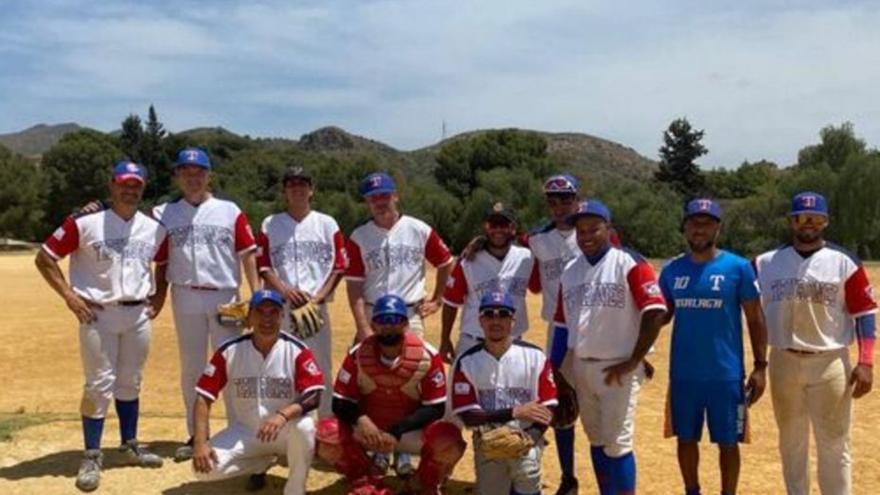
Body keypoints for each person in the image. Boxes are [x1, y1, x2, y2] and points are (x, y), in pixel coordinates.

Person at [35, 161, 167, 492]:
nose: (130, 189)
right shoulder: (86, 222)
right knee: (98, 384)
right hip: (98, 314)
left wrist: (160, 295)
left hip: (138, 313)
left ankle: (129, 443)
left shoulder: (153, 226)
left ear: (142, 188)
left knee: (130, 381)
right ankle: (92, 453)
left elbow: (164, 261)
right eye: (124, 183)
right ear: (111, 185)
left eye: (136, 184)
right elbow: (46, 256)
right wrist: (69, 296)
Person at [754, 192, 877, 495]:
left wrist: (865, 361)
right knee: (790, 443)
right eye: (801, 217)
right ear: (791, 221)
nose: (808, 224)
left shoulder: (843, 262)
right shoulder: (766, 262)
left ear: (825, 222)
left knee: (835, 443)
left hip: (830, 361)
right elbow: (745, 306)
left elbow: (865, 314)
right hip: (783, 359)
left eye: (815, 218)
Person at [150, 147, 260, 461]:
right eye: (186, 172)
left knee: (232, 363)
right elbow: (159, 260)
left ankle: (238, 430)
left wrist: (256, 295)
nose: (192, 178)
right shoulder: (164, 213)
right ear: (177, 176)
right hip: (184, 293)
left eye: (198, 172)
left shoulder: (229, 210)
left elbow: (248, 254)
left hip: (226, 295)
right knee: (192, 367)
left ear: (209, 175)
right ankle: (197, 433)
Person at [551, 199, 667, 495]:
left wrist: (634, 360)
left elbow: (655, 311)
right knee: (597, 440)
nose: (586, 236)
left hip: (618, 368)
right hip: (581, 366)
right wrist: (558, 373)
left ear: (609, 229)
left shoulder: (629, 262)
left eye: (594, 229)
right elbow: (563, 328)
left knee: (617, 443)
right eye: (581, 230)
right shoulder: (570, 272)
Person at [658, 199, 768, 495]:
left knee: (729, 442)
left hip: (726, 375)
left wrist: (760, 367)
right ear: (685, 227)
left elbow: (755, 318)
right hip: (684, 375)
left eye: (707, 223)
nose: (699, 229)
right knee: (685, 438)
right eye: (694, 222)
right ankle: (692, 490)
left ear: (718, 228)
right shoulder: (671, 271)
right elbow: (660, 316)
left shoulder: (738, 267)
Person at [315, 294, 465, 495]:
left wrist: (397, 430)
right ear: (373, 324)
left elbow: (435, 407)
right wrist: (362, 421)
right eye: (382, 320)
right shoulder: (358, 355)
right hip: (370, 431)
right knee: (326, 434)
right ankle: (363, 477)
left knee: (448, 439)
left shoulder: (426, 356)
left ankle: (423, 481)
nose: (389, 326)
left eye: (395, 320)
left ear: (405, 324)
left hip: (409, 432)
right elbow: (340, 401)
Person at [191, 289, 323, 495]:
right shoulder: (230, 351)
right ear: (249, 317)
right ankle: (261, 462)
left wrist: (282, 415)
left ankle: (295, 489)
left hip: (285, 431)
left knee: (304, 426)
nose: (266, 318)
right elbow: (203, 396)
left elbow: (314, 395)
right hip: (246, 431)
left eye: (273, 312)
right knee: (203, 470)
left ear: (282, 316)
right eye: (260, 312)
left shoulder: (296, 350)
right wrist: (200, 443)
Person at [255, 165, 347, 418]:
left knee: (319, 365)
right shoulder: (270, 223)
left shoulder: (327, 224)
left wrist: (317, 298)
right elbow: (263, 266)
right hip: (279, 307)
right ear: (285, 191)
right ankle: (281, 421)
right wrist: (284, 290)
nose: (298, 188)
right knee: (281, 364)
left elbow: (340, 266)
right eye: (292, 184)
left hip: (315, 308)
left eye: (303, 183)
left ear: (311, 190)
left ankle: (325, 424)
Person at [451, 291, 558, 495]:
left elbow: (549, 405)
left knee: (527, 473)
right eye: (489, 314)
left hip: (527, 435)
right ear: (481, 320)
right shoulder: (467, 362)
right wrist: (514, 412)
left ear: (512, 321)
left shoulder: (534, 356)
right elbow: (469, 416)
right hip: (487, 438)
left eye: (503, 314)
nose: (496, 320)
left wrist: (529, 438)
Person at [521, 174, 583, 495]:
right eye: (553, 200)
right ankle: (568, 477)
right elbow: (531, 282)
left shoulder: (591, 231)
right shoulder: (537, 240)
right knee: (560, 404)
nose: (559, 206)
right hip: (556, 329)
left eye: (566, 199)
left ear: (577, 199)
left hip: (593, 328)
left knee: (597, 405)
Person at [345, 172, 453, 342]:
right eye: (373, 198)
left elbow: (445, 262)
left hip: (409, 315)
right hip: (373, 315)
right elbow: (354, 287)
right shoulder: (358, 237)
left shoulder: (419, 229)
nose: (380, 202)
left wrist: (437, 300)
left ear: (395, 196)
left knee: (413, 366)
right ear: (367, 202)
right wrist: (363, 327)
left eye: (384, 195)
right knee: (366, 367)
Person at [440, 202, 534, 361]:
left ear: (513, 227)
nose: (498, 230)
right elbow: (451, 303)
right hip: (474, 342)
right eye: (493, 224)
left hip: (513, 343)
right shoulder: (469, 260)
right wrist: (444, 339)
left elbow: (541, 238)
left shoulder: (527, 257)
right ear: (485, 227)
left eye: (503, 224)